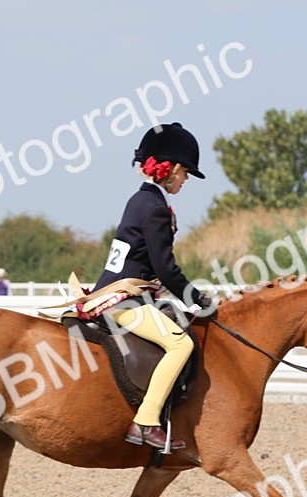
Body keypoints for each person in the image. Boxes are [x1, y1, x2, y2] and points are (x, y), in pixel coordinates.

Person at [83, 122, 212, 451]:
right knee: (180, 345)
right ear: (173, 169)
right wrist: (198, 300)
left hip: (121, 295)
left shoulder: (140, 200)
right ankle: (145, 422)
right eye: (185, 174)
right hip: (123, 301)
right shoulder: (154, 207)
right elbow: (166, 270)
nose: (185, 181)